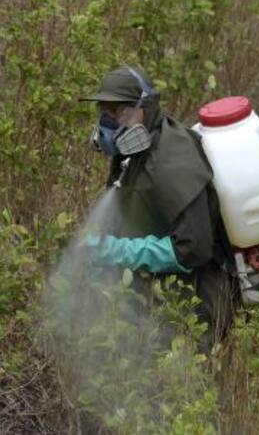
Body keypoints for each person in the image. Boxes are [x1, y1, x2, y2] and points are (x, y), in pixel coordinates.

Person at [80, 65, 237, 353]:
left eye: (119, 112)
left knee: (166, 373)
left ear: (146, 108)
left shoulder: (170, 162)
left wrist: (119, 251)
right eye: (105, 112)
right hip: (160, 290)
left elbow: (193, 248)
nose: (109, 123)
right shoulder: (134, 152)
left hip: (199, 300)